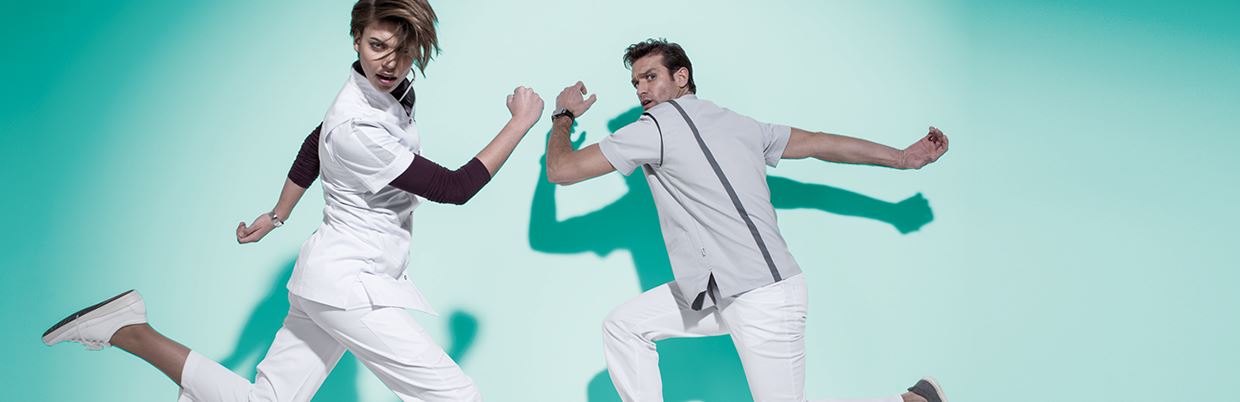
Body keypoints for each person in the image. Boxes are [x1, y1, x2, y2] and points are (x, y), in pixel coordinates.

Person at [41, 1, 544, 400]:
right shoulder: (357, 126)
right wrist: (521, 122)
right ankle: (128, 330)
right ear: (356, 38)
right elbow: (454, 188)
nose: (390, 63)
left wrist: (278, 214)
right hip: (349, 287)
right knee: (456, 396)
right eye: (377, 46)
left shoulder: (373, 96)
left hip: (328, 278)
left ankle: (128, 329)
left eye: (404, 51)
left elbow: (312, 143)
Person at [544, 38, 949, 402]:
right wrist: (900, 157)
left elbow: (560, 170)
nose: (641, 90)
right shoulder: (739, 124)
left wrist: (564, 115)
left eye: (650, 77)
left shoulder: (655, 127)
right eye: (635, 83)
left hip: (762, 295)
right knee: (624, 326)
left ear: (681, 77)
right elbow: (818, 142)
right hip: (714, 288)